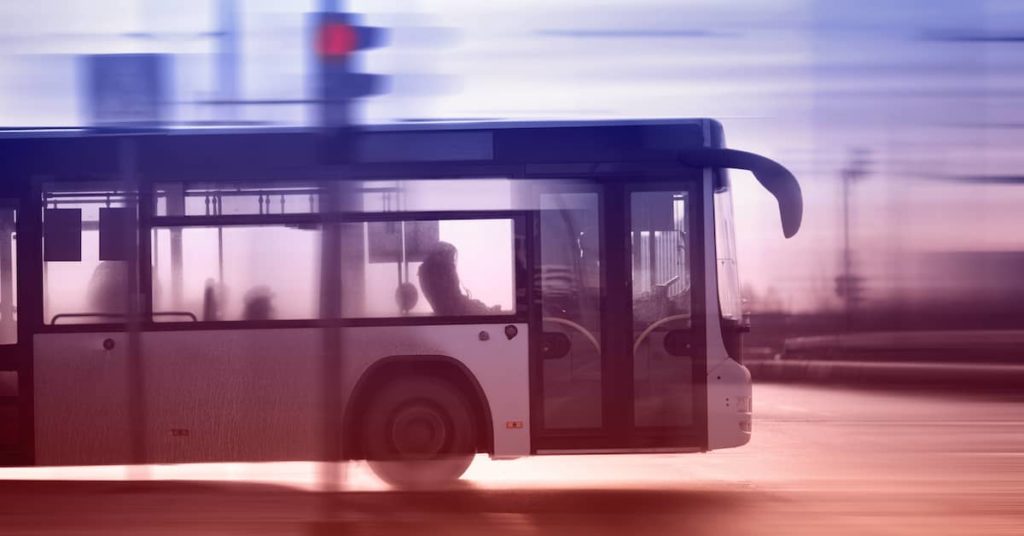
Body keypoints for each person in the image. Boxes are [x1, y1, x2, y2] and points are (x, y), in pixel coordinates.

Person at [417, 242, 495, 316]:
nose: (452, 262)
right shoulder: (442, 270)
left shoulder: (426, 271)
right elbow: (455, 301)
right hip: (457, 314)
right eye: (450, 257)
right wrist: (483, 309)